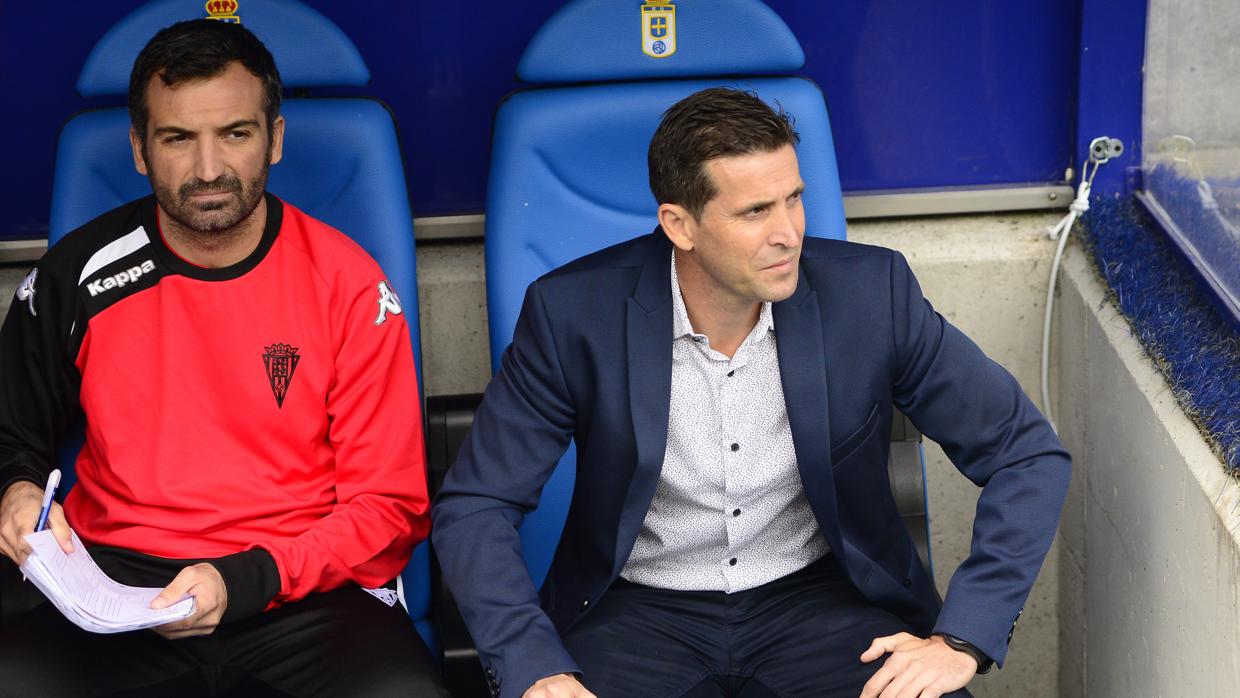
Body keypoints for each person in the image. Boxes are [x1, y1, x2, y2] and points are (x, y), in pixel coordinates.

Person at [432, 87, 1071, 698]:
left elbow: (1023, 452)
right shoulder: (572, 313)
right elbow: (477, 503)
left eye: (794, 199)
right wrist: (530, 663)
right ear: (679, 225)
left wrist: (963, 636)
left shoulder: (872, 295)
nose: (788, 232)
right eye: (754, 212)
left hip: (823, 602)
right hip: (637, 612)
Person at [0, 19, 449, 697]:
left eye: (235, 134)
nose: (208, 169)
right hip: (113, 584)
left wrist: (245, 580)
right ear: (139, 148)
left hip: (299, 586)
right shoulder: (77, 277)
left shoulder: (350, 285)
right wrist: (17, 491)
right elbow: (12, 437)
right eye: (178, 138)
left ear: (274, 139)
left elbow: (389, 507)